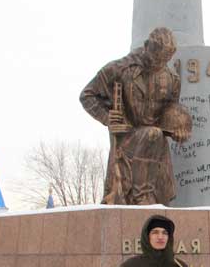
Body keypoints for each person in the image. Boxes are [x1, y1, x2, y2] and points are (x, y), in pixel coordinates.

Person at [80, 27, 192, 205]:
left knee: (154, 134)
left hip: (155, 147)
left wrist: (179, 128)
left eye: (164, 61)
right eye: (156, 58)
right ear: (147, 46)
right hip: (127, 137)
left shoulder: (173, 79)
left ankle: (147, 196)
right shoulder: (119, 69)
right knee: (153, 134)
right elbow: (87, 95)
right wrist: (107, 118)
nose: (158, 65)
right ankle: (142, 196)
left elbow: (170, 111)